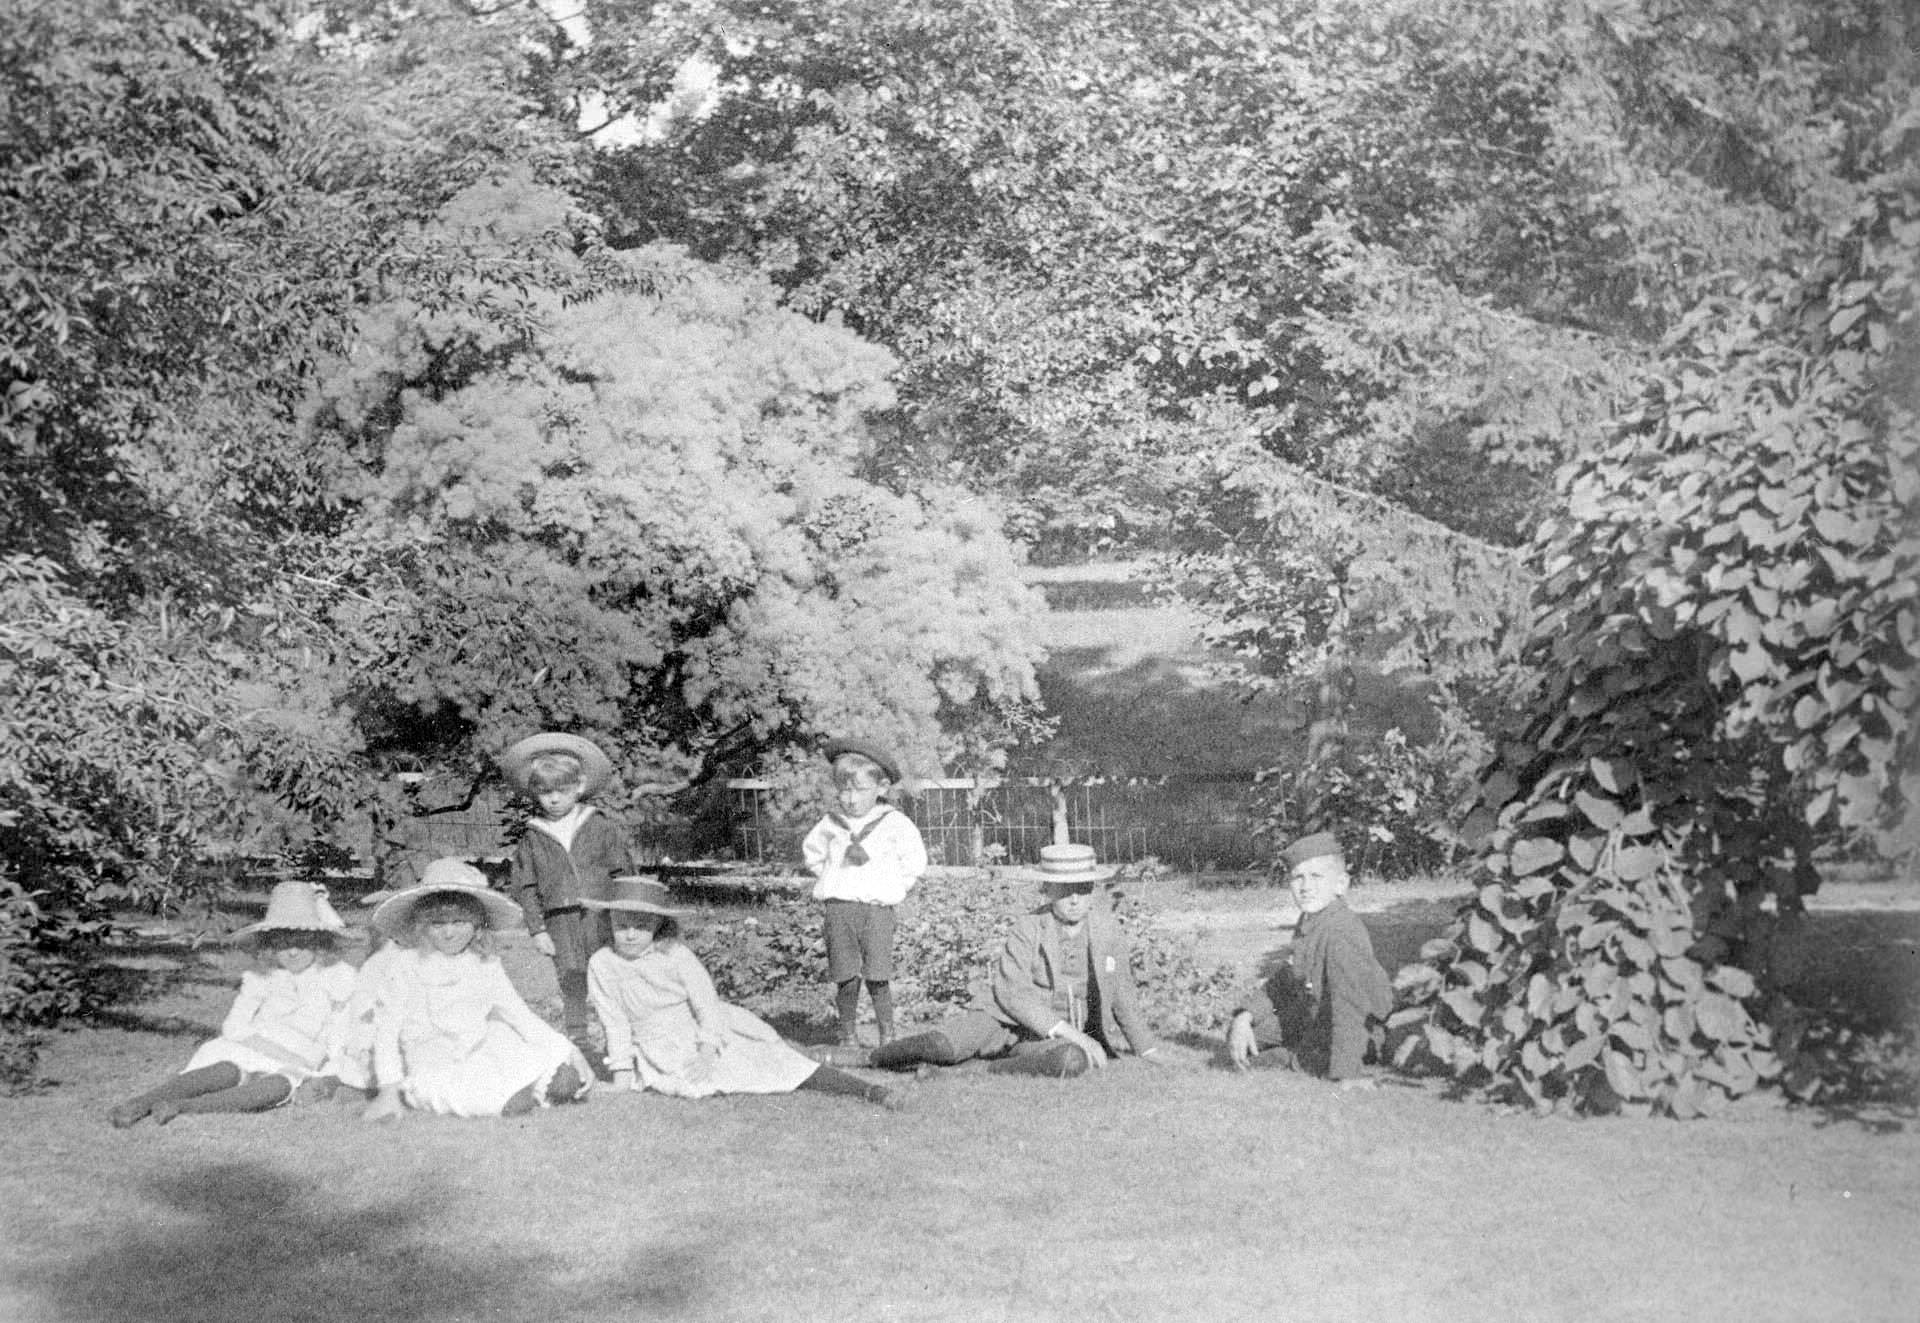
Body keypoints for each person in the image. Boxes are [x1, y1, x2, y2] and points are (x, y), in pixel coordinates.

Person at [584, 875, 908, 1109]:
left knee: (783, 1063)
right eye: (621, 925)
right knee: (745, 1075)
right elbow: (614, 1022)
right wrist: (622, 1077)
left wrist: (707, 1050)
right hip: (656, 1046)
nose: (629, 935)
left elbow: (706, 1005)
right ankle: (866, 1065)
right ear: (608, 923)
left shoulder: (676, 955)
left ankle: (869, 1088)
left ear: (657, 926)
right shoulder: (602, 963)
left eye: (640, 926)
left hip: (704, 1032)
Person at [861, 843, 1167, 1078]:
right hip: (1002, 1021)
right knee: (939, 1046)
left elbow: (1122, 994)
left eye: (1083, 889)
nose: (1075, 899)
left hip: (1047, 1038)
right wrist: (1070, 1032)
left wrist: (1147, 1049)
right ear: (1047, 888)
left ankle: (982, 1070)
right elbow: (1012, 993)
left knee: (1070, 1060)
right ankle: (871, 1058)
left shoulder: (1107, 929)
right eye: (1065, 889)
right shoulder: (1029, 927)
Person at [109, 881, 355, 1127]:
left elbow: (340, 1034)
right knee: (226, 1069)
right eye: (282, 944)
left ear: (319, 942)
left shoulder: (337, 977)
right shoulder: (262, 976)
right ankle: (140, 1103)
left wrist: (325, 1072)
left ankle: (183, 1107)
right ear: (269, 946)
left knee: (277, 1086)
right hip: (257, 1045)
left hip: (301, 1059)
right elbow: (235, 1027)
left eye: (301, 943)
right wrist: (279, 1052)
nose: (292, 952)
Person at [361, 866, 590, 1121]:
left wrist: (568, 1049)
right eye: (437, 924)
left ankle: (543, 1082)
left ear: (477, 926)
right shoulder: (406, 965)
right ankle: (519, 1093)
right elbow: (387, 1030)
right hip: (433, 1068)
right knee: (487, 1098)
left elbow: (519, 1016)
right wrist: (389, 1089)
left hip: (480, 1056)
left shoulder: (485, 964)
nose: (449, 933)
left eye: (459, 923)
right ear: (422, 926)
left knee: (532, 1055)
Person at [500, 731, 635, 1077]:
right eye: (546, 792)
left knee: (611, 978)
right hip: (560, 922)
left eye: (562, 790)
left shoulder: (599, 826)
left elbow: (623, 872)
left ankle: (621, 1046)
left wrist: (625, 915)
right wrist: (537, 929)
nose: (554, 799)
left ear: (579, 786)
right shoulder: (533, 835)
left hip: (601, 916)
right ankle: (580, 1045)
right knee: (573, 980)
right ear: (535, 793)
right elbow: (525, 886)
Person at [1225, 832, 1394, 1087]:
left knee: (1288, 1061)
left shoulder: (1341, 930)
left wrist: (1348, 1073)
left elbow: (1349, 1005)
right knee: (1241, 1039)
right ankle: (1293, 1051)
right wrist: (1245, 1016)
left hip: (1357, 1029)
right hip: (1312, 1015)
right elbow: (1286, 978)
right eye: (1297, 878)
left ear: (1340, 884)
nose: (1306, 887)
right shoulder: (1310, 919)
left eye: (1316, 876)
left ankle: (1296, 1058)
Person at [801, 736, 928, 1050]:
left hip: (876, 911)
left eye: (859, 790)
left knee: (877, 973)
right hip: (840, 910)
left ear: (881, 789)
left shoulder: (894, 824)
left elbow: (914, 862)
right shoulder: (831, 824)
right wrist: (836, 879)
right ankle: (848, 1035)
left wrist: (891, 887)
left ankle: (888, 1035)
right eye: (844, 790)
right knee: (845, 974)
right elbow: (814, 855)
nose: (851, 799)